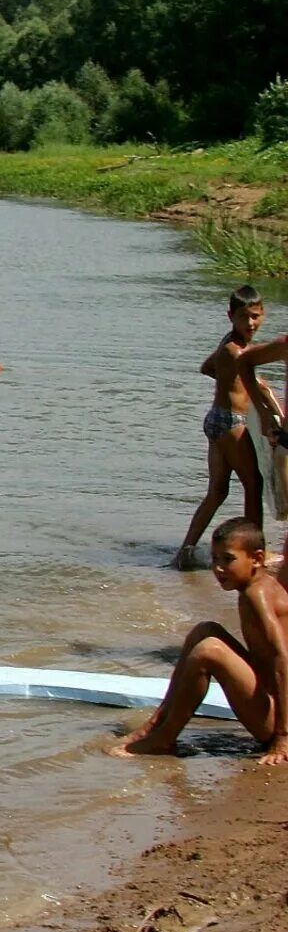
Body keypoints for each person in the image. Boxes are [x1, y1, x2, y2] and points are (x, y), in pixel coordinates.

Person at [112, 517, 288, 764]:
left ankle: (165, 738)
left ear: (257, 559)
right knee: (204, 630)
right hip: (271, 702)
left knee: (210, 651)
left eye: (228, 559)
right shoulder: (257, 587)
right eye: (215, 559)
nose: (218, 568)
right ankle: (157, 723)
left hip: (278, 717)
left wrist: (282, 735)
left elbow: (283, 658)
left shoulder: (257, 595)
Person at [173, 285, 282, 569]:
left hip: (216, 419)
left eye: (255, 316)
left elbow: (207, 367)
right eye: (243, 317)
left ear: (263, 314)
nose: (250, 324)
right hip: (231, 422)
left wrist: (232, 381)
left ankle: (185, 551)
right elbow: (254, 394)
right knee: (253, 485)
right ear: (230, 316)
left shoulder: (228, 345)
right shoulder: (237, 351)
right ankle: (255, 553)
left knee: (218, 492)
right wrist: (267, 419)